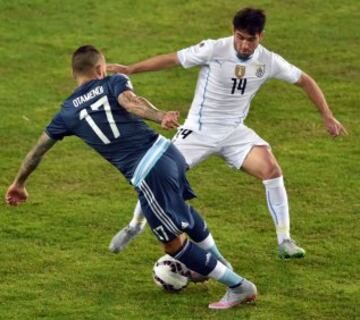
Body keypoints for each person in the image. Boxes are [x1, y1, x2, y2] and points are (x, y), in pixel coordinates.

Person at [5, 45, 257, 309]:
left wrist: (19, 183)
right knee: (181, 210)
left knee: (173, 246)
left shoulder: (66, 113)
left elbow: (36, 151)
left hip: (148, 172)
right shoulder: (113, 81)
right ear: (101, 69)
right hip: (168, 152)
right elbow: (130, 101)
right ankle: (219, 261)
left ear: (73, 73)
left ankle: (238, 286)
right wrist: (159, 116)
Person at [107, 7, 347, 259]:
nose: (244, 45)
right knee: (159, 173)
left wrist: (327, 115)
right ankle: (135, 226)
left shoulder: (268, 61)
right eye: (240, 37)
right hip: (198, 131)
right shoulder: (213, 49)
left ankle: (284, 240)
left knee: (272, 170)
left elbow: (305, 80)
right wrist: (131, 69)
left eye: (250, 40)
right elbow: (172, 59)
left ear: (260, 37)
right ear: (233, 32)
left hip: (234, 133)